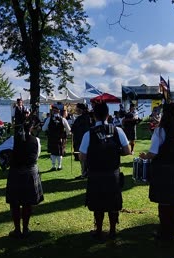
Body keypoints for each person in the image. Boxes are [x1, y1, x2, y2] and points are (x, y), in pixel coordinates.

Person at [139, 102, 174, 242]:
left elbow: (154, 152)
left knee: (164, 203)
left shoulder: (160, 130)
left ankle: (164, 233)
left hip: (163, 170)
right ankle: (172, 231)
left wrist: (145, 156)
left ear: (164, 112)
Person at [79, 102, 131, 240]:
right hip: (113, 173)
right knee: (113, 203)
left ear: (94, 116)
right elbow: (127, 151)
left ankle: (99, 230)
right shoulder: (117, 130)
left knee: (97, 203)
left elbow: (82, 156)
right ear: (108, 115)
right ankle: (113, 230)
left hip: (95, 173)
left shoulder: (88, 134)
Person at [6, 121, 43, 238]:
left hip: (15, 171)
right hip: (30, 171)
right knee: (27, 202)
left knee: (15, 202)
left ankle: (17, 230)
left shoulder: (12, 139)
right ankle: (26, 229)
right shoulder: (36, 140)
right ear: (31, 128)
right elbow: (37, 155)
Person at [42, 105, 71, 171]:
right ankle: (59, 166)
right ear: (59, 111)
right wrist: (67, 134)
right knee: (59, 152)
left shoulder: (49, 119)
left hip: (52, 138)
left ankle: (53, 166)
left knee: (53, 152)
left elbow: (43, 129)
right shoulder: (63, 119)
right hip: (60, 139)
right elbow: (69, 130)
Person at [71, 103, 91, 179]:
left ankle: (84, 173)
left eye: (77, 109)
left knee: (83, 158)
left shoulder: (81, 119)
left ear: (80, 110)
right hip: (86, 139)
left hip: (81, 140)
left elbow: (73, 129)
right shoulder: (88, 117)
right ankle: (86, 172)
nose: (76, 110)